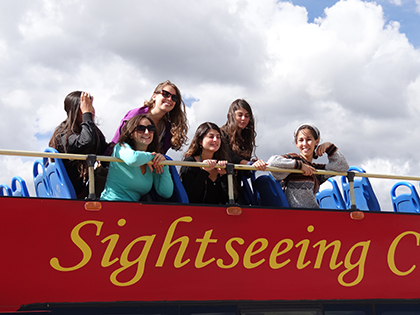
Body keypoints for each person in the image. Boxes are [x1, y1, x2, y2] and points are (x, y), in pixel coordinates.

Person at [268, 123, 349, 209]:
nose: (305, 144)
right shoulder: (294, 159)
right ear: (296, 143)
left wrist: (329, 146)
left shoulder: (316, 170)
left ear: (316, 141)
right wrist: (300, 166)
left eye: (309, 139)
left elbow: (342, 167)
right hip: (294, 214)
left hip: (312, 214)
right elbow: (272, 163)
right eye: (301, 140)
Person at [49, 91, 108, 199]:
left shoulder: (92, 131)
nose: (91, 110)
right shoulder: (63, 133)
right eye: (86, 107)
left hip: (84, 190)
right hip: (70, 195)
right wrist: (87, 115)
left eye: (91, 106)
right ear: (75, 110)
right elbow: (86, 141)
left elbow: (105, 150)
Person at [100, 115, 173, 202]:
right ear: (131, 134)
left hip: (133, 210)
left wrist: (163, 164)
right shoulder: (120, 147)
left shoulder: (151, 160)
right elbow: (133, 159)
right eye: (140, 128)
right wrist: (152, 156)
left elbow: (166, 193)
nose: (147, 132)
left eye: (151, 128)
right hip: (111, 205)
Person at [110, 80, 188, 154]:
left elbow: (160, 153)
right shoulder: (135, 114)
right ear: (154, 96)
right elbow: (117, 141)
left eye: (174, 98)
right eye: (165, 94)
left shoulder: (168, 128)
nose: (169, 99)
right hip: (124, 163)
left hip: (148, 166)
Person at [220, 99, 266, 202]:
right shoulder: (221, 133)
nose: (243, 119)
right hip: (221, 183)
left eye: (247, 116)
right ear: (230, 116)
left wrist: (252, 165)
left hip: (238, 185)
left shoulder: (246, 137)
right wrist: (248, 164)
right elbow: (229, 155)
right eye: (240, 115)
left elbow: (245, 170)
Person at [180, 122, 229, 204]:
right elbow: (189, 197)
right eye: (211, 137)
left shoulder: (221, 164)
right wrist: (203, 172)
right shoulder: (190, 162)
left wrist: (224, 176)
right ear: (200, 141)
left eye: (218, 137)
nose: (215, 140)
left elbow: (225, 200)